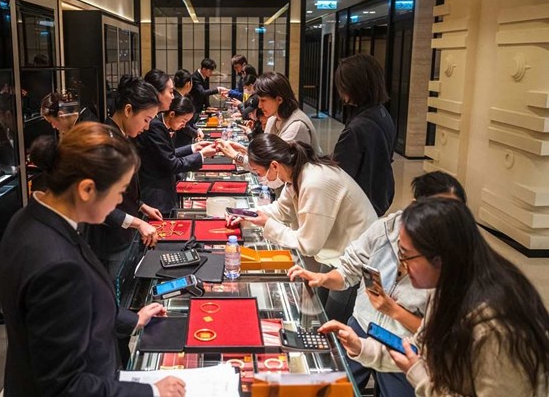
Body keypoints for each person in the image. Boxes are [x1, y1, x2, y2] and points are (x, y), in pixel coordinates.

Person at [0, 122, 186, 397]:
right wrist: (152, 392)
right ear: (86, 189)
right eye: (119, 192)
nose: (119, 202)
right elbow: (65, 386)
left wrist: (132, 320)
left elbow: (73, 310)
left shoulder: (31, 216)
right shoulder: (57, 266)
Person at [321, 198, 549, 397]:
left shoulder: (498, 327)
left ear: (440, 257)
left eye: (406, 256)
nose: (401, 266)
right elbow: (421, 347)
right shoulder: (446, 288)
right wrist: (361, 346)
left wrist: (420, 378)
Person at [288, 171, 467, 397]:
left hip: (403, 345)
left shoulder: (450, 262)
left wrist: (393, 310)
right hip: (362, 328)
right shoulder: (386, 229)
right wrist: (323, 278)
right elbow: (349, 268)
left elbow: (436, 333)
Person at [227, 133, 376, 268]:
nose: (259, 177)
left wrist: (267, 224)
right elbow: (282, 210)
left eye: (258, 172)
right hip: (338, 251)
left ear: (274, 165)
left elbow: (308, 244)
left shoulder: (313, 182)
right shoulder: (296, 173)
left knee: (330, 289)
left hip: (359, 258)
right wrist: (247, 214)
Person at [84, 76, 163, 281]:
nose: (147, 127)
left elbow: (122, 189)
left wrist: (141, 205)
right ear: (128, 110)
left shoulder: (120, 135)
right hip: (109, 240)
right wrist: (137, 223)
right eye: (146, 120)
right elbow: (97, 203)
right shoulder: (106, 143)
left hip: (123, 233)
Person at [333, 53, 396, 217]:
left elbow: (340, 175)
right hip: (379, 193)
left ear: (354, 86)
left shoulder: (357, 129)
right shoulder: (382, 112)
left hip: (359, 204)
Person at [217, 72, 322, 169]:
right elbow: (267, 156)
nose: (259, 105)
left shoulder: (296, 126)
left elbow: (275, 169)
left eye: (263, 100)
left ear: (279, 99)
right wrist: (245, 151)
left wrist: (237, 156)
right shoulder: (273, 119)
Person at [136, 96, 216, 216]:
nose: (184, 125)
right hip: (155, 193)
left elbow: (166, 154)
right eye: (183, 121)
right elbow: (171, 163)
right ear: (172, 114)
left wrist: (193, 147)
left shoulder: (162, 124)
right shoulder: (156, 126)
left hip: (164, 190)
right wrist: (201, 154)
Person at [172, 69, 203, 148]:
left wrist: (197, 129)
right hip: (179, 139)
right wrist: (195, 133)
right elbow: (183, 125)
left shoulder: (181, 97)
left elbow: (187, 122)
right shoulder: (177, 98)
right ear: (188, 84)